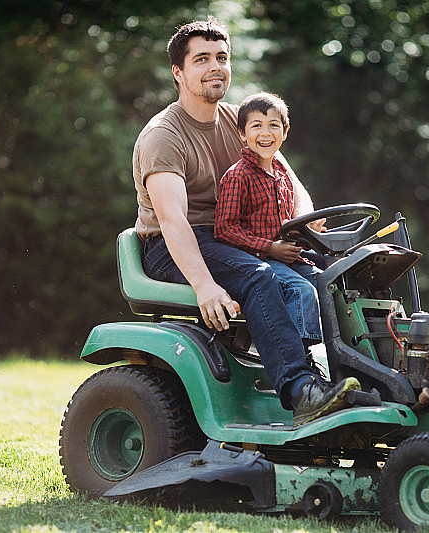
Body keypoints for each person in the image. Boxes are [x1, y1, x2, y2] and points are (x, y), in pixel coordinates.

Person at [132, 17, 359, 425]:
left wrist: (302, 225)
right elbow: (172, 219)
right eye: (201, 59)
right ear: (178, 72)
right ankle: (301, 389)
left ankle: (363, 377)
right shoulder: (163, 135)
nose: (215, 67)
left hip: (236, 239)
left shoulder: (242, 120)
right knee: (260, 277)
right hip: (175, 246)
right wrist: (204, 286)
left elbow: (292, 183)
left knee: (345, 271)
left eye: (222, 57)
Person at [214, 92, 322, 352]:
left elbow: (284, 223)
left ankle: (340, 354)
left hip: (289, 257)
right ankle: (302, 359)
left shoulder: (282, 173)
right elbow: (224, 229)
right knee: (301, 291)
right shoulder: (238, 175)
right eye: (256, 126)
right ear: (242, 133)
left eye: (274, 125)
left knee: (330, 284)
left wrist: (306, 232)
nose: (266, 132)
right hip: (257, 259)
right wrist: (270, 248)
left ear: (285, 132)